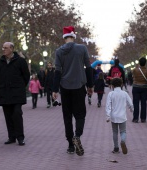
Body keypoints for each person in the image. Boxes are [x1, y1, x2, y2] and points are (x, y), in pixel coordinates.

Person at [52, 26, 93, 156]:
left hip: (65, 87)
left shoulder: (59, 51)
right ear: (73, 36)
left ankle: (70, 145)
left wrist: (54, 89)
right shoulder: (82, 48)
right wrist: (90, 85)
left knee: (67, 116)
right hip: (79, 86)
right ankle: (77, 135)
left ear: (64, 37)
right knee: (80, 114)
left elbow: (57, 71)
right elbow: (88, 67)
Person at [0, 42, 30, 146]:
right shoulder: (0, 62)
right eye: (3, 48)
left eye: (5, 48)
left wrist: (19, 86)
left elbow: (26, 76)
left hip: (17, 93)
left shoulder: (20, 61)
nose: (3, 49)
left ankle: (20, 137)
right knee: (8, 116)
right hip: (5, 93)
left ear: (11, 48)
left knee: (17, 114)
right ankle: (11, 137)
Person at [106, 78, 133, 154]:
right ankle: (123, 141)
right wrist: (131, 109)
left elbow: (108, 105)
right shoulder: (124, 93)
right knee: (123, 131)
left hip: (114, 116)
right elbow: (130, 103)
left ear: (112, 85)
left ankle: (116, 148)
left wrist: (108, 116)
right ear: (121, 84)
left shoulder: (111, 94)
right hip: (122, 116)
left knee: (115, 132)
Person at [132, 57, 147, 123]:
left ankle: (135, 118)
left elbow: (133, 76)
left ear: (139, 63)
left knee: (136, 103)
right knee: (143, 103)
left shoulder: (135, 70)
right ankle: (143, 118)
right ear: (145, 63)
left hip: (136, 87)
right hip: (144, 88)